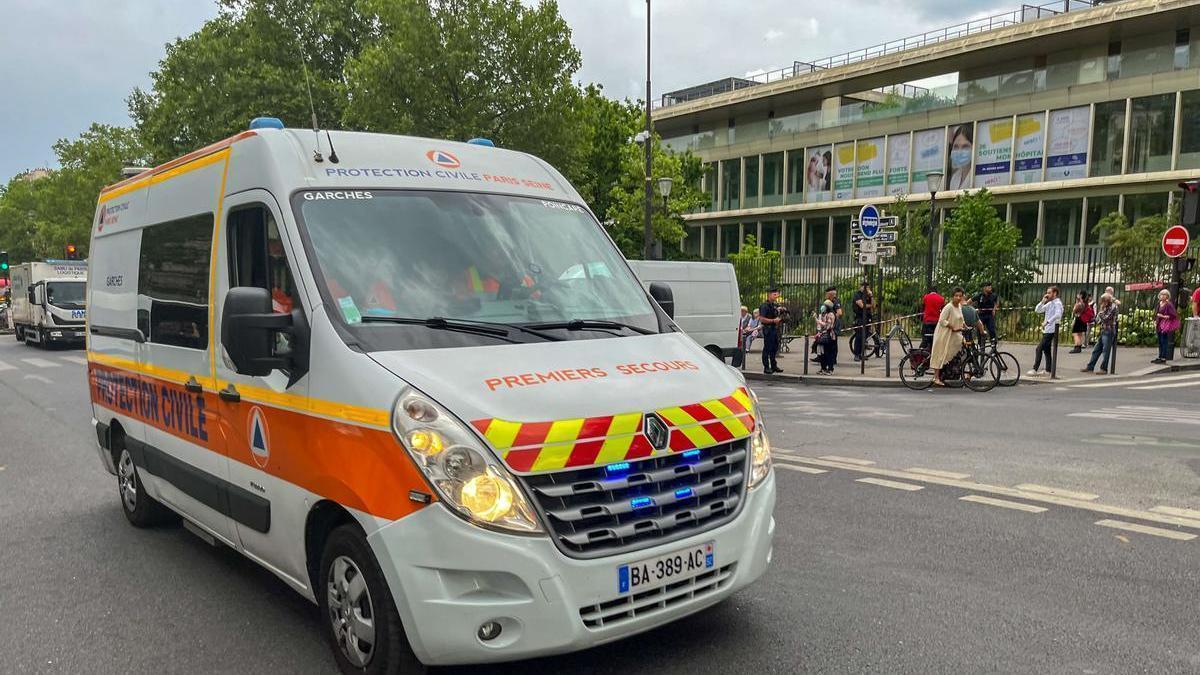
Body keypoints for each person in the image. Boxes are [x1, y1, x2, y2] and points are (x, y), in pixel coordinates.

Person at [930, 287, 966, 387]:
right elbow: (942, 320)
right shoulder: (948, 307)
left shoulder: (959, 306)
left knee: (962, 345)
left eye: (960, 296)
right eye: (956, 296)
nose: (958, 298)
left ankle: (952, 371)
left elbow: (961, 319)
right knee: (940, 353)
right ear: (952, 296)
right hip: (944, 333)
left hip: (954, 333)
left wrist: (966, 326)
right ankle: (936, 377)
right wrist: (951, 326)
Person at [1029, 286, 1063, 376]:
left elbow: (1058, 314)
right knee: (1047, 350)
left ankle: (1034, 369)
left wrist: (1047, 322)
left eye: (1049, 292)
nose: (1047, 294)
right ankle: (1048, 370)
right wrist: (1042, 302)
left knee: (1039, 348)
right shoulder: (1050, 303)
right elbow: (1038, 310)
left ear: (1055, 293)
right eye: (1047, 292)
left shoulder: (1057, 303)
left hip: (1052, 330)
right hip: (1047, 330)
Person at [1082, 293, 1117, 375]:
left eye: (1103, 301)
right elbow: (1098, 319)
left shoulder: (1113, 307)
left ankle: (1104, 368)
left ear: (1107, 301)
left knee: (1106, 351)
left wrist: (1100, 312)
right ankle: (1090, 367)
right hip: (1103, 330)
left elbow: (1106, 317)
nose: (1101, 303)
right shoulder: (1105, 307)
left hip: (1109, 330)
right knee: (1096, 350)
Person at [850, 282, 881, 360]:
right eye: (864, 287)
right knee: (859, 336)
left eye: (867, 287)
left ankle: (861, 354)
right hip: (860, 318)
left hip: (867, 317)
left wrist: (871, 296)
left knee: (865, 336)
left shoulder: (868, 295)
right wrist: (869, 306)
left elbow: (874, 305)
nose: (866, 289)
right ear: (861, 287)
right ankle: (856, 354)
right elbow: (862, 306)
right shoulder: (857, 295)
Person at [759, 288, 783, 375]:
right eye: (774, 294)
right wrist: (773, 321)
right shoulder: (764, 306)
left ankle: (773, 366)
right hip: (768, 329)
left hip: (774, 329)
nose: (776, 296)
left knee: (774, 348)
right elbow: (762, 318)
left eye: (777, 294)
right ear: (769, 294)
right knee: (767, 348)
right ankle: (766, 367)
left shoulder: (774, 305)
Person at [1153, 289, 1179, 364]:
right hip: (1158, 324)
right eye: (1161, 294)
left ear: (1167, 296)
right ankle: (1160, 356)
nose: (1162, 296)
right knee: (1160, 341)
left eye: (1164, 294)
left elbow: (1173, 315)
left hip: (1164, 325)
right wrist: (1155, 320)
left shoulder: (1169, 304)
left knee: (1163, 341)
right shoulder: (1159, 303)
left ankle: (1163, 357)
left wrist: (1163, 316)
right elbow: (1156, 313)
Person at [946, 125, 973, 190]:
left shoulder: (977, 177)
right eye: (956, 147)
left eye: (965, 146)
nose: (959, 151)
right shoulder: (955, 177)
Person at [815, 299, 838, 374]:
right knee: (821, 353)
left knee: (828, 352)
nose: (823, 307)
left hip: (829, 336)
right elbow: (819, 326)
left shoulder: (831, 314)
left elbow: (828, 326)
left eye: (825, 306)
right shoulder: (822, 314)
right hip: (821, 335)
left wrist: (818, 321)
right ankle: (823, 368)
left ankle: (830, 368)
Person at [920, 285, 945, 350]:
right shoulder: (941, 298)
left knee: (925, 337)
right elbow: (943, 310)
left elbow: (923, 308)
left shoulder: (926, 297)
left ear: (930, 291)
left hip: (927, 321)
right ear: (937, 291)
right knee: (936, 338)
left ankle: (923, 351)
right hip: (936, 322)